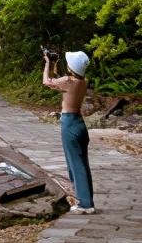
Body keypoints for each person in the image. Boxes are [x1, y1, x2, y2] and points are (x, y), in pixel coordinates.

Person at [43, 49, 95, 214]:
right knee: (82, 164)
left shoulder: (68, 81)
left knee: (75, 164)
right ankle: (86, 201)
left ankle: (84, 204)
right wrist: (54, 64)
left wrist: (47, 63)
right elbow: (58, 82)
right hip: (80, 123)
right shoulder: (82, 81)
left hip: (69, 123)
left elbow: (47, 82)